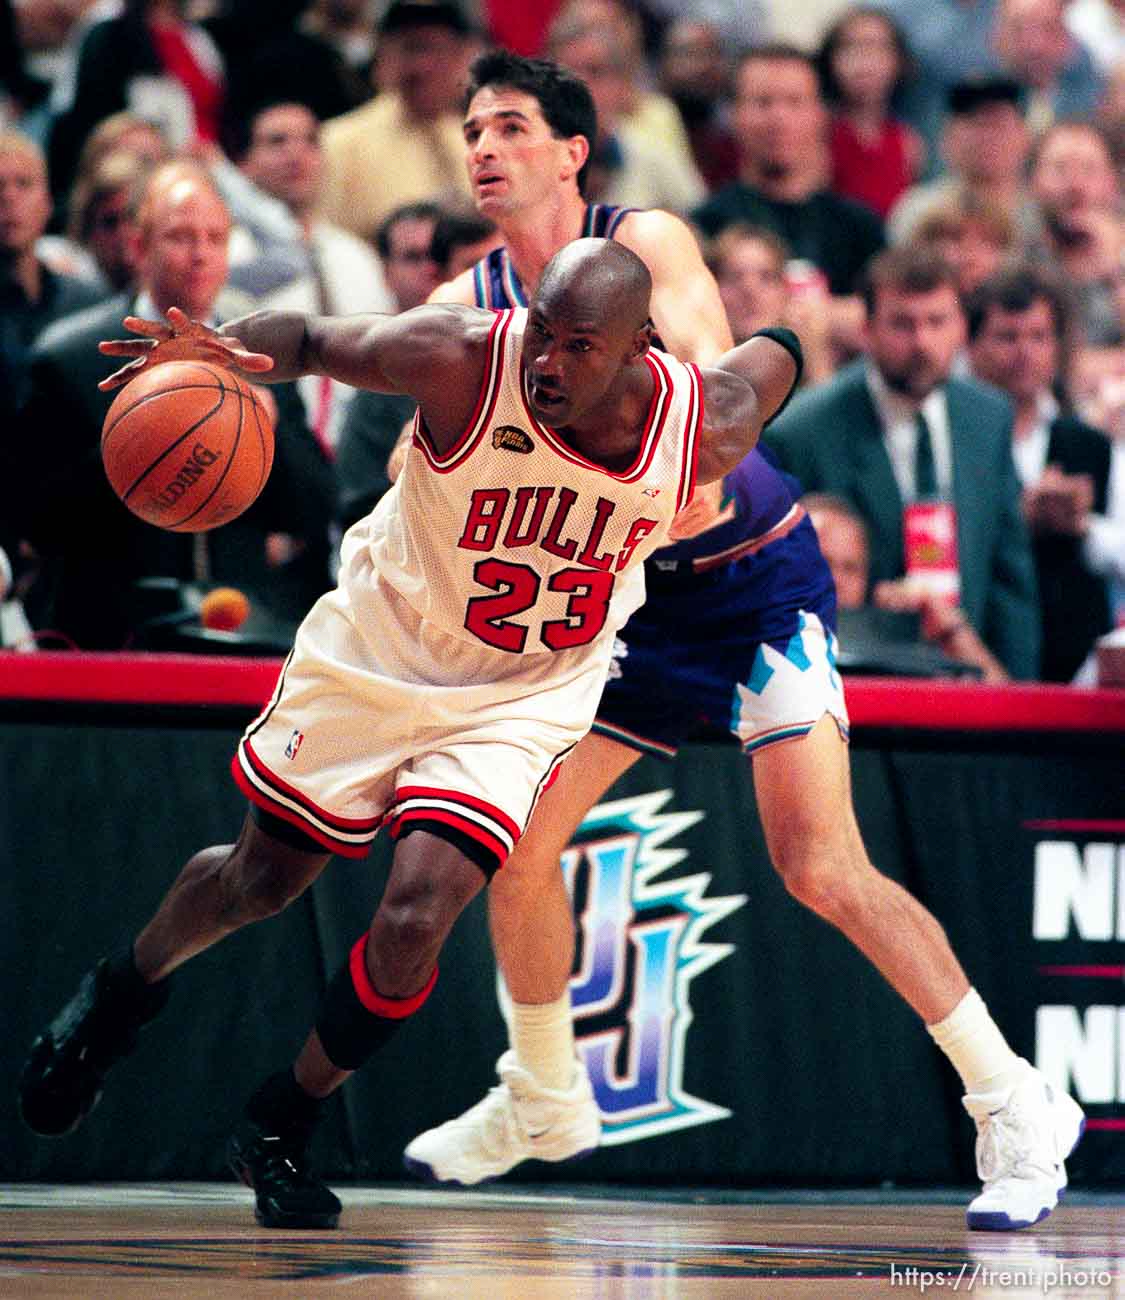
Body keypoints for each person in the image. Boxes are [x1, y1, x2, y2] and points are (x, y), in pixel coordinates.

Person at [400, 52, 1083, 1234]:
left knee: (821, 865)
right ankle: (544, 1093)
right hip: (621, 607)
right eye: (471, 130)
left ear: (572, 152)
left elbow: (715, 424)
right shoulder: (471, 309)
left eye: (510, 126)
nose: (484, 148)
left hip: (749, 585)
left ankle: (1017, 1100)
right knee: (515, 841)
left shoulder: (650, 241)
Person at [17, 236, 804, 1232]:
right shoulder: (465, 358)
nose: (549, 364)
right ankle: (122, 990)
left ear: (640, 346)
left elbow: (774, 357)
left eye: (579, 347)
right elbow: (306, 335)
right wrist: (212, 349)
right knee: (261, 881)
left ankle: (283, 1115)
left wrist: (779, 329)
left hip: (522, 693)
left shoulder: (704, 422)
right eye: (543, 337)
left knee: (414, 914)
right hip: (383, 647)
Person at [4, 160, 335, 649]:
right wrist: (149, 433)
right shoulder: (69, 356)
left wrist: (270, 426)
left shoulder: (261, 356)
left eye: (215, 239)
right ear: (139, 247)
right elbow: (30, 518)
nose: (200, 254)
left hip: (238, 629)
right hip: (108, 634)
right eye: (180, 237)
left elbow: (312, 509)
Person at [765, 245, 1042, 681]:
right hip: (850, 682)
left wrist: (1022, 696)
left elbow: (1011, 580)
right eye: (902, 324)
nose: (922, 343)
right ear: (867, 329)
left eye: (937, 322)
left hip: (968, 677)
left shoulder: (989, 418)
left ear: (962, 328)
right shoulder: (803, 431)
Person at [692, 44, 887, 364]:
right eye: (763, 103)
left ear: (820, 115)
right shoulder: (705, 225)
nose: (779, 118)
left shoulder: (861, 226)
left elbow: (886, 319)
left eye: (795, 102)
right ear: (735, 115)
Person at [966, 264, 1116, 681]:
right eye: (1007, 337)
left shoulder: (1090, 444)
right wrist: (1019, 516)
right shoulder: (954, 438)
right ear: (972, 345)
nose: (1025, 352)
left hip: (1075, 657)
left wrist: (1080, 524)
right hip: (982, 648)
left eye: (1039, 336)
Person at [228, 96, 396, 459]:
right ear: (243, 164)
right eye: (277, 141)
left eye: (310, 141)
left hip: (359, 445)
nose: (296, 154)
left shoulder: (358, 257)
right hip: (264, 442)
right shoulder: (226, 256)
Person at [317, 0, 475, 239]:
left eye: (437, 50)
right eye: (410, 48)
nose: (423, 66)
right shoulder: (339, 143)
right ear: (382, 55)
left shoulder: (474, 140)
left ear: (463, 58)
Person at [817, 6, 923, 220]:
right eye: (850, 47)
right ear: (830, 60)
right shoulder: (818, 134)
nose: (864, 60)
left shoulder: (909, 142)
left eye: (877, 47)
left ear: (899, 61)